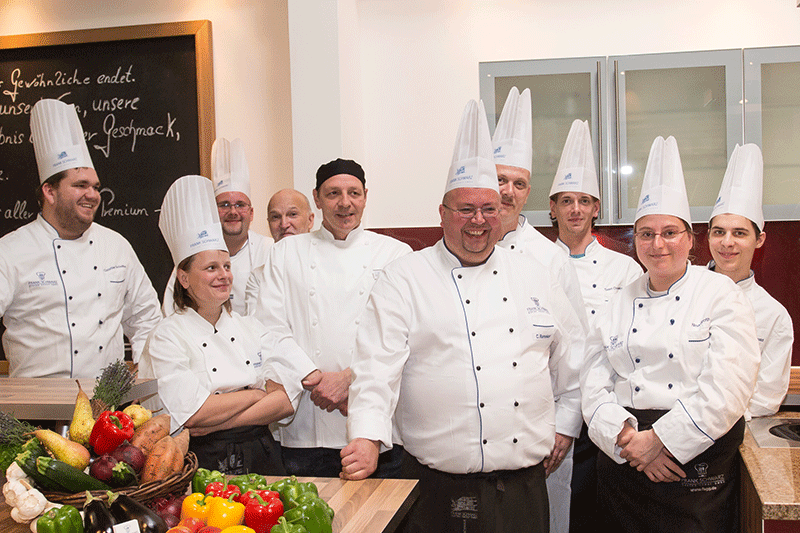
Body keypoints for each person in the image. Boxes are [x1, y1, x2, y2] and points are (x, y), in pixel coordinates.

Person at [341, 100, 584, 533]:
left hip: (525, 487)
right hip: (437, 489)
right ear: (442, 213)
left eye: (488, 209)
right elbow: (376, 369)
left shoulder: (537, 274)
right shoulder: (405, 278)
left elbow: (574, 358)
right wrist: (366, 434)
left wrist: (565, 425)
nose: (478, 221)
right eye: (465, 209)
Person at [580, 136, 760, 532]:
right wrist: (628, 439)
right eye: (646, 233)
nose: (657, 244)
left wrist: (660, 440)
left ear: (690, 239)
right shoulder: (617, 301)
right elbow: (593, 384)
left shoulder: (721, 294)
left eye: (670, 232)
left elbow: (728, 388)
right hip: (624, 460)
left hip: (696, 461)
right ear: (635, 241)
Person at [249, 158, 412, 478]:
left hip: (375, 426)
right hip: (307, 420)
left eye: (353, 192)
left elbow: (400, 338)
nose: (344, 202)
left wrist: (350, 379)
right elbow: (268, 328)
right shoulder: (285, 253)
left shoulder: (395, 254)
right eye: (333, 193)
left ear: (365, 195)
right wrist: (316, 379)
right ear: (317, 198)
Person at [139, 175, 297, 474]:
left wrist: (224, 414)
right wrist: (256, 394)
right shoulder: (167, 336)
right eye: (211, 268)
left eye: (226, 266)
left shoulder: (251, 327)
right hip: (201, 462)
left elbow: (287, 400)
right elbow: (194, 413)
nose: (223, 275)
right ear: (184, 278)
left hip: (263, 457)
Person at [0, 99, 161, 378]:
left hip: (107, 407)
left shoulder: (116, 246)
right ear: (49, 191)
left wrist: (144, 377)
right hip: (36, 410)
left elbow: (147, 318)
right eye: (80, 185)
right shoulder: (11, 251)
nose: (93, 195)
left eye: (95, 186)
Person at [491, 86, 588, 533]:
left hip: (540, 432)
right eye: (499, 180)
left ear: (530, 191)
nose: (507, 191)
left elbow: (576, 350)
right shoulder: (456, 252)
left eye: (519, 183)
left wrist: (566, 429)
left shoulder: (550, 258)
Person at [547, 120, 642, 532]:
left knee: (592, 516)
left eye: (584, 201)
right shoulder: (528, 264)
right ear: (551, 208)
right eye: (566, 201)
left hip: (603, 413)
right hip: (544, 411)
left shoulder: (624, 269)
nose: (575, 210)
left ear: (596, 208)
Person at [707, 143, 793, 418]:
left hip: (732, 439)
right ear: (708, 236)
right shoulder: (680, 289)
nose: (727, 243)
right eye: (719, 231)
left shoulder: (773, 315)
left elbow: (766, 398)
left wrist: (703, 428)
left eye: (740, 233)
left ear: (759, 240)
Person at [163, 138, 271, 316]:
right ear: (213, 212)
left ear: (251, 213)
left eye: (240, 205)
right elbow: (172, 310)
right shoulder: (192, 253)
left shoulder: (268, 250)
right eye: (225, 205)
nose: (233, 212)